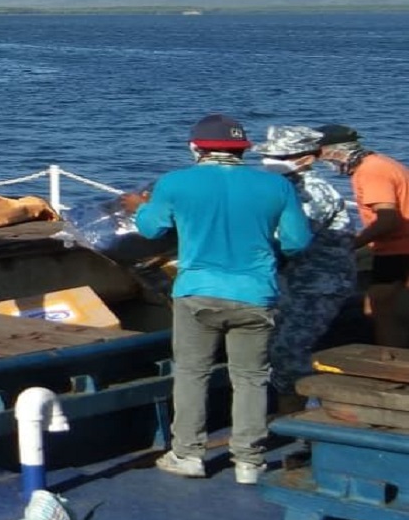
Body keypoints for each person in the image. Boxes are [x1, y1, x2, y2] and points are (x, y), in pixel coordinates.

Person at [126, 114, 311, 485]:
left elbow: (150, 229)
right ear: (243, 149)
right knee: (252, 378)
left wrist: (140, 206)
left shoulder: (175, 182)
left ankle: (188, 454)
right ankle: (249, 461)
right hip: (255, 293)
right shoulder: (276, 186)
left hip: (197, 291)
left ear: (196, 148)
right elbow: (297, 241)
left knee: (192, 373)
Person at [258, 125, 360, 406]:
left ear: (307, 158)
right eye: (268, 155)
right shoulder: (282, 188)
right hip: (292, 281)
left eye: (281, 156)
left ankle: (300, 424)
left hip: (319, 284)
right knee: (274, 347)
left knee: (289, 351)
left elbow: (289, 239)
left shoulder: (314, 192)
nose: (269, 162)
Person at [318, 124, 409, 347]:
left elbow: (388, 219)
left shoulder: (370, 171)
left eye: (320, 154)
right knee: (385, 304)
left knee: (380, 309)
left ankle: (389, 361)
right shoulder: (381, 162)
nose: (322, 161)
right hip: (395, 245)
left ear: (335, 151)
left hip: (398, 248)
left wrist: (353, 243)